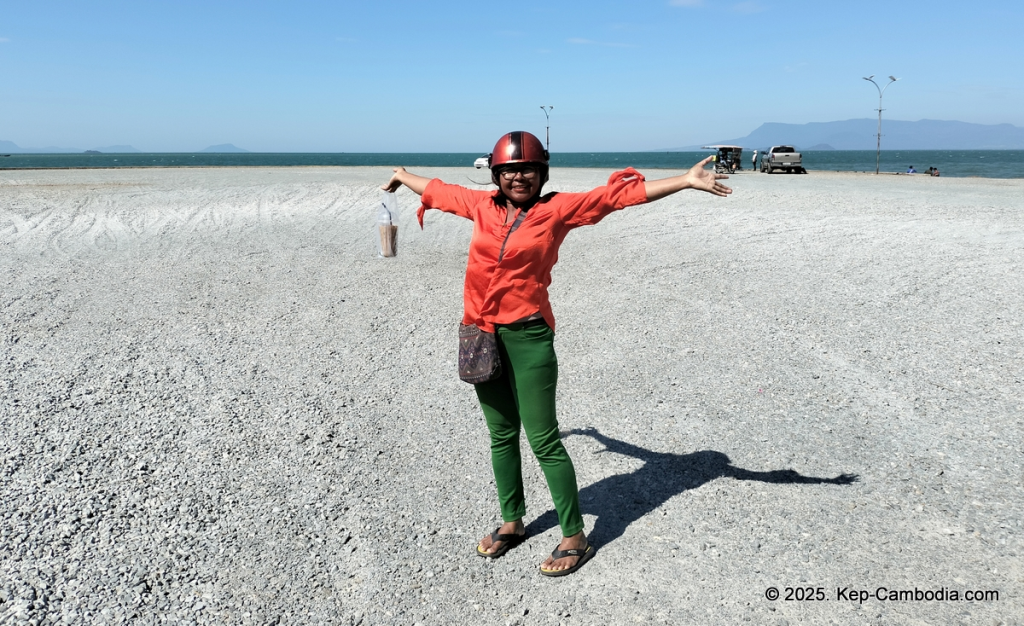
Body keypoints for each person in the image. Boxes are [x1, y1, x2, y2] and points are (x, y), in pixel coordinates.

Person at [381, 131, 732, 576]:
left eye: (527, 168)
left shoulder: (557, 210)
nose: (519, 177)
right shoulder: (481, 206)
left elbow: (616, 198)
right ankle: (512, 521)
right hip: (481, 334)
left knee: (544, 439)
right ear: (497, 175)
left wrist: (683, 180)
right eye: (509, 170)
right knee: (501, 434)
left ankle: (575, 536)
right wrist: (399, 175)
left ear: (541, 172)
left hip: (529, 337)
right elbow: (437, 190)